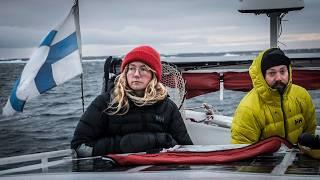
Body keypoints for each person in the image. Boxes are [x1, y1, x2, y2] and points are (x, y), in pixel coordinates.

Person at [71, 45, 193, 157]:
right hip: (114, 171)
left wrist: (164, 141)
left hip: (158, 171)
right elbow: (79, 146)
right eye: (131, 68)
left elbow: (187, 149)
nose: (136, 74)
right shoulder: (105, 103)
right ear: (125, 72)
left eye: (143, 69)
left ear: (153, 75)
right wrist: (126, 144)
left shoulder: (167, 107)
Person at [231, 48, 317, 144]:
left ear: (289, 71)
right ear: (263, 77)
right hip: (263, 158)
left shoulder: (302, 96)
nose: (278, 78)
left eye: (282, 71)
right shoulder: (248, 109)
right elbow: (242, 150)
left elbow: (310, 132)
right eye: (272, 73)